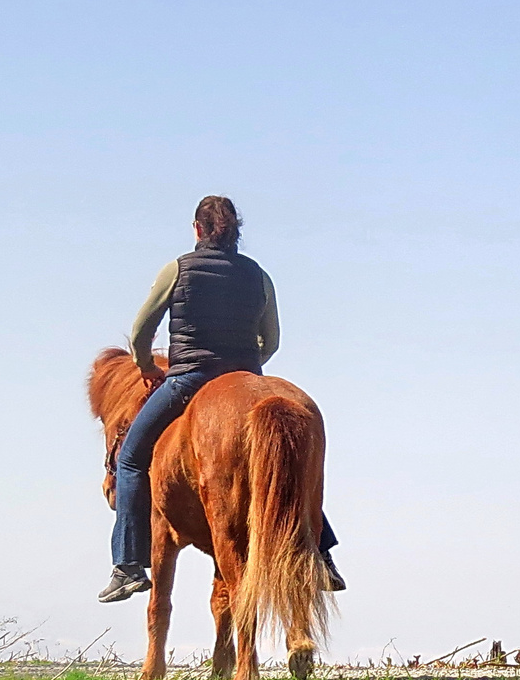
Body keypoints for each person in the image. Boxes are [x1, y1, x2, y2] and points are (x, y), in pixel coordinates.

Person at [98, 196, 346, 602]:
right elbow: (273, 341)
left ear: (197, 229)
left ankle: (127, 565)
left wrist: (146, 365)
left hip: (187, 380)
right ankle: (321, 554)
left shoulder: (177, 269)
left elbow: (142, 330)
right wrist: (249, 367)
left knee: (129, 459)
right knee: (288, 466)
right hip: (245, 374)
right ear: (236, 233)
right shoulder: (259, 276)